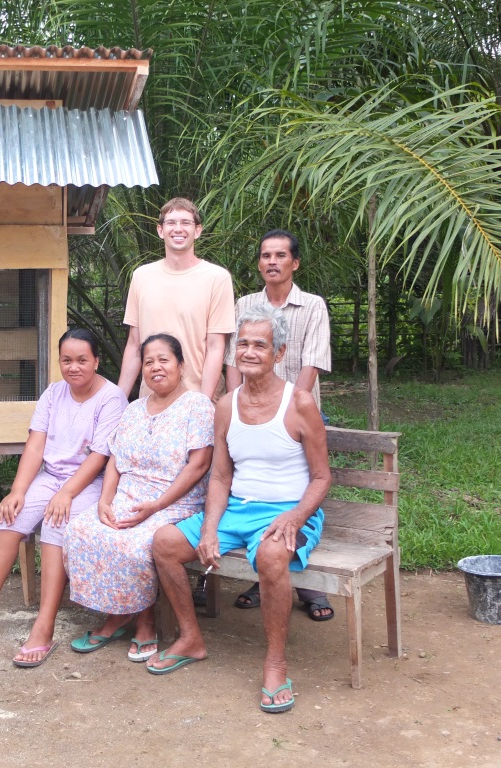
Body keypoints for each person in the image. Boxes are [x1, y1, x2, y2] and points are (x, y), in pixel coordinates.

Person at [150, 306, 331, 714]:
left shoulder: (299, 403)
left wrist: (294, 517)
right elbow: (219, 477)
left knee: (270, 556)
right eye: (243, 344)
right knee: (164, 543)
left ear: (279, 353)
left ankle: (275, 662)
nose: (249, 352)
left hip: (288, 510)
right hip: (237, 510)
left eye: (260, 345)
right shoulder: (226, 405)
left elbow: (321, 478)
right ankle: (191, 639)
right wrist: (210, 527)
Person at [0, 328, 128, 668]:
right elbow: (36, 445)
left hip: (90, 482)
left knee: (57, 523)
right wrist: (17, 490)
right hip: (50, 476)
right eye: (66, 360)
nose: (74, 367)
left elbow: (100, 456)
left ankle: (44, 627)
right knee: (8, 517)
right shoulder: (53, 393)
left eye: (82, 360)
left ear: (97, 361)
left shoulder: (112, 398)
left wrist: (67, 493)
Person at [197, 229, 334, 620]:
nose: (272, 261)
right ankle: (240, 575)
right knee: (236, 473)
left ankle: (308, 587)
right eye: (265, 255)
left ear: (295, 262)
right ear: (259, 263)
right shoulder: (244, 304)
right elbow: (231, 358)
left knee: (300, 482)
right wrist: (241, 402)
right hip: (245, 407)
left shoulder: (312, 305)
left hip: (296, 410)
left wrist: (288, 403)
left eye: (280, 255)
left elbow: (312, 360)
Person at [64, 334, 214, 662]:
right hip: (128, 496)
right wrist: (105, 501)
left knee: (134, 544)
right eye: (148, 362)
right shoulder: (133, 410)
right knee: (82, 530)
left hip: (175, 502)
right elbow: (115, 459)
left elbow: (199, 464)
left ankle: (144, 623)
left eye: (164, 360)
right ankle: (118, 613)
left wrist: (157, 506)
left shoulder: (198, 405)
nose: (156, 367)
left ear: (181, 365)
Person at [117, 198, 236, 402]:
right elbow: (134, 344)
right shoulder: (141, 276)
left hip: (197, 397)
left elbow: (216, 347)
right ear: (160, 230)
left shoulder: (217, 278)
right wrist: (116, 402)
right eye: (171, 223)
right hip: (151, 400)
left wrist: (202, 404)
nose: (178, 229)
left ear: (197, 230)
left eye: (185, 222)